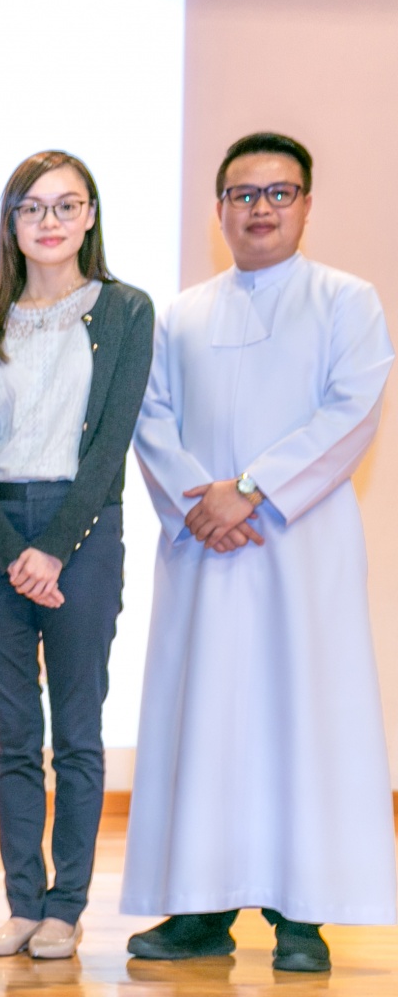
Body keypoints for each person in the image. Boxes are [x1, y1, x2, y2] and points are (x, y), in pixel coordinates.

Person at [123, 132, 395, 973]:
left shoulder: (347, 301)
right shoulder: (182, 315)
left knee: (299, 720)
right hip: (204, 550)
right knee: (203, 721)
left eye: (279, 193)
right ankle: (200, 910)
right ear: (219, 210)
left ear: (307, 204)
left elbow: (352, 410)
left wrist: (252, 490)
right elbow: (149, 416)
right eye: (244, 195)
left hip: (299, 548)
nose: (261, 209)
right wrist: (200, 499)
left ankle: (301, 918)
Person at [0, 152, 153, 960]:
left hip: (85, 530)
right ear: (12, 222)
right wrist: (10, 549)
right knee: (13, 734)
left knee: (76, 730)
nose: (50, 221)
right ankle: (23, 906)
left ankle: (67, 908)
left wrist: (55, 549)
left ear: (91, 215)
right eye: (32, 207)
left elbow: (110, 444)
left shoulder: (126, 310)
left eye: (67, 205)